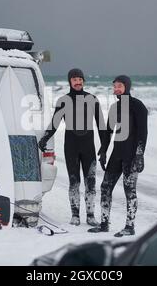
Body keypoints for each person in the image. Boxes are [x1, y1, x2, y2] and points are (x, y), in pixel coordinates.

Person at [38, 68, 106, 226]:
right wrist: (45, 138)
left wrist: (104, 148)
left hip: (88, 146)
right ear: (70, 81)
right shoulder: (63, 100)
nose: (78, 82)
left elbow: (101, 125)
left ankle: (90, 215)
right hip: (71, 147)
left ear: (83, 81)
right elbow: (55, 122)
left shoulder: (92, 99)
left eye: (80, 79)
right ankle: (75, 215)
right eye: (74, 79)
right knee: (74, 181)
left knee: (91, 182)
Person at [88, 75, 148, 237]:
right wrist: (103, 151)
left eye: (119, 86)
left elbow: (143, 133)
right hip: (117, 154)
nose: (116, 89)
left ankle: (130, 227)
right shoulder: (115, 107)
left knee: (130, 191)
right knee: (105, 187)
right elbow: (108, 131)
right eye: (114, 87)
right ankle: (104, 223)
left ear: (127, 86)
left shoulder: (138, 106)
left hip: (131, 156)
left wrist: (139, 155)